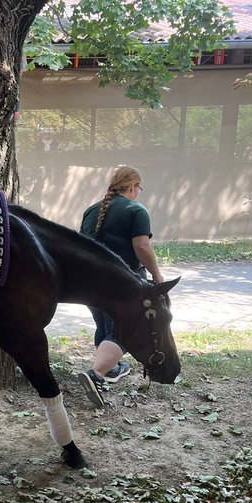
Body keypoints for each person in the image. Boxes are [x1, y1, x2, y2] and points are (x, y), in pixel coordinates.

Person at [75, 165, 166, 408]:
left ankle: (112, 368)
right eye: (139, 187)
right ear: (134, 187)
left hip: (92, 284)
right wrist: (157, 276)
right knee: (125, 332)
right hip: (123, 284)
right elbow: (142, 247)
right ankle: (96, 375)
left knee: (104, 327)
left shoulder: (91, 211)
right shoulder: (136, 210)